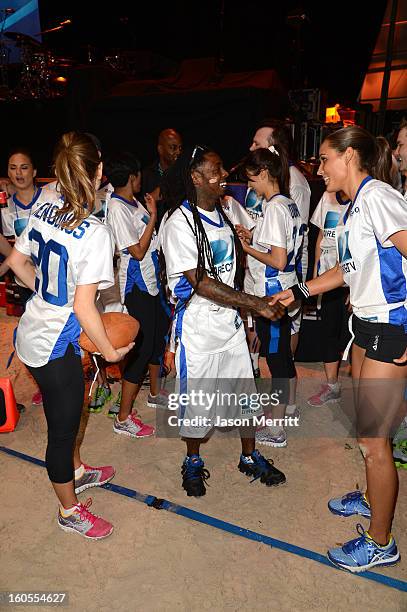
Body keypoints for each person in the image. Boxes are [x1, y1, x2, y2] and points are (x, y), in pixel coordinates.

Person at [269, 126, 407, 573]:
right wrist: (299, 291)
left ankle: (381, 543)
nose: (319, 168)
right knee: (362, 423)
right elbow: (348, 270)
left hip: (390, 326)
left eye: (325, 159)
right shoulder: (354, 206)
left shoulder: (380, 197)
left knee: (374, 442)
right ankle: (370, 499)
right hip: (364, 324)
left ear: (349, 157)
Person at [6, 132, 134, 539]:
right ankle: (69, 511)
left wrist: (45, 291)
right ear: (98, 172)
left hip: (33, 330)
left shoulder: (44, 203)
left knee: (72, 411)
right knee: (61, 433)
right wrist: (112, 351)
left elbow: (15, 260)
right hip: (50, 346)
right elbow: (82, 306)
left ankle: (78, 471)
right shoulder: (96, 232)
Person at [160, 145, 286, 497]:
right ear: (196, 178)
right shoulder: (179, 223)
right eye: (216, 171)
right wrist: (256, 305)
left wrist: (245, 322)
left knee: (245, 397)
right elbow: (200, 282)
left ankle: (249, 456)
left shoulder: (227, 212)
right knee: (198, 405)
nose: (224, 176)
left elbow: (234, 276)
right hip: (198, 328)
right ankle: (193, 460)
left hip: (230, 324)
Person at [236, 147, 303, 447]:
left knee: (276, 360)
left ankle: (276, 427)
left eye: (251, 180)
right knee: (281, 358)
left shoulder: (275, 208)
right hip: (282, 292)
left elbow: (277, 259)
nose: (249, 186)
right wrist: (252, 236)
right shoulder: (286, 204)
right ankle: (284, 410)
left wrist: (246, 249)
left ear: (264, 173)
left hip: (272, 296)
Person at [105, 152, 167, 436]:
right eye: (139, 175)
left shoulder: (132, 201)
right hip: (136, 286)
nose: (143, 178)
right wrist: (154, 216)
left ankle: (154, 393)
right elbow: (138, 250)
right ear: (132, 178)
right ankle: (123, 417)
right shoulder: (117, 207)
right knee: (140, 351)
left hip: (152, 282)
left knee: (156, 340)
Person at [249, 119, 311, 355]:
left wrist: (248, 249)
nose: (251, 148)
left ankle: (283, 380)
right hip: (262, 265)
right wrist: (252, 235)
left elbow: (292, 235)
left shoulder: (292, 186)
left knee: (281, 341)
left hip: (278, 273)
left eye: (257, 144)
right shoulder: (271, 190)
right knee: (262, 327)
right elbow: (266, 223)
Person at [1, 147, 52, 406]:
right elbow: (6, 241)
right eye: (12, 167)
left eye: (23, 167)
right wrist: (11, 262)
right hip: (24, 281)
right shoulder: (6, 207)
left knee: (56, 332)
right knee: (28, 336)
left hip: (53, 279)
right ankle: (43, 383)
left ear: (34, 172)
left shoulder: (51, 196)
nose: (18, 173)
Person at [306, 190, 350, 406]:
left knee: (353, 335)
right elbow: (321, 236)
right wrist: (315, 271)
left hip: (351, 279)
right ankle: (332, 385)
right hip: (326, 276)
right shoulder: (326, 196)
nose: (322, 171)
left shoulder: (362, 197)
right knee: (328, 332)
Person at [141, 128, 183, 225]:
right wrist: (151, 199)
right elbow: (136, 211)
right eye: (173, 147)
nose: (178, 152)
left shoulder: (186, 175)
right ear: (160, 149)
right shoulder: (145, 175)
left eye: (180, 148)